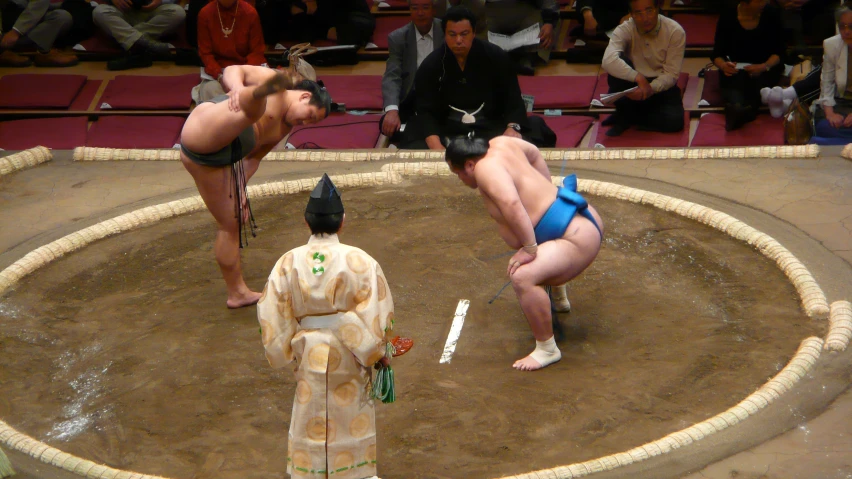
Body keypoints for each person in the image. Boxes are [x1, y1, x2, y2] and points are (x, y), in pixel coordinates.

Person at [257, 174, 398, 479]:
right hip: (350, 348)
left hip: (307, 347)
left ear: (306, 222)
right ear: (342, 221)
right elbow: (377, 311)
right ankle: (356, 472)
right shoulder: (360, 260)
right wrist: (375, 351)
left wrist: (287, 346)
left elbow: (271, 310)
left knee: (310, 406)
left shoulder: (288, 261)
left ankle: (307, 472)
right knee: (351, 407)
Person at [445, 135, 603, 371]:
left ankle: (547, 349)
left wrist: (529, 248)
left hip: (575, 237)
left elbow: (510, 203)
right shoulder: (501, 142)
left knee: (523, 275)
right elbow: (535, 154)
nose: (460, 179)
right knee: (539, 254)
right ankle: (559, 299)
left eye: (458, 173)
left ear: (469, 164)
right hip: (576, 219)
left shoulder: (484, 169)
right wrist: (547, 194)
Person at [179, 67, 331, 308]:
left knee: (232, 223)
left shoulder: (284, 128)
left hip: (211, 162)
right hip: (208, 128)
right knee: (250, 114)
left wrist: (240, 189)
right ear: (303, 96)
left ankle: (237, 293)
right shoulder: (277, 86)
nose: (304, 122)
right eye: (309, 115)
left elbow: (253, 159)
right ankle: (254, 95)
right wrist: (237, 87)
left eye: (309, 122)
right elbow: (232, 69)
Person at [400, 6, 555, 150]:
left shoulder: (496, 56)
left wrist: (512, 129)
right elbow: (425, 110)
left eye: (464, 34)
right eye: (452, 35)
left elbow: (512, 99)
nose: (458, 40)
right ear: (445, 35)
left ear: (474, 33)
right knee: (414, 129)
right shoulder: (431, 65)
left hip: (491, 125)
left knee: (535, 126)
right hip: (449, 127)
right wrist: (436, 147)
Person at [600, 0, 686, 137]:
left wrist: (650, 88)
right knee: (619, 62)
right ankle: (627, 114)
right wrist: (638, 77)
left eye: (649, 10)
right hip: (632, 82)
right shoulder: (625, 29)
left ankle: (628, 116)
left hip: (659, 86)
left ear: (658, 8)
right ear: (631, 14)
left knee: (675, 121)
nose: (645, 18)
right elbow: (607, 61)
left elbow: (671, 74)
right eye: (638, 13)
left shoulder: (675, 31)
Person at [711, 0, 786, 130]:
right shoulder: (728, 14)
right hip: (738, 68)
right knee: (733, 85)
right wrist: (724, 66)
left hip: (765, 67)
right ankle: (738, 108)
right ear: (746, 2)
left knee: (757, 88)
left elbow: (780, 52)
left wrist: (764, 66)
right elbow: (717, 54)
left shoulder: (771, 13)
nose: (765, 2)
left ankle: (742, 113)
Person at [380, 0, 443, 141]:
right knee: (388, 126)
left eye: (425, 7)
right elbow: (392, 75)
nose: (420, 13)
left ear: (433, 9)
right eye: (415, 8)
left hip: (443, 95)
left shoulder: (447, 32)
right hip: (413, 96)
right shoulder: (397, 38)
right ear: (409, 10)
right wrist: (391, 110)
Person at [193, 0, 267, 103]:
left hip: (246, 69)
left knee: (262, 92)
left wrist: (241, 78)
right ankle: (228, 114)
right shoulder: (205, 13)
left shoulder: (250, 12)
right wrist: (220, 77)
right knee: (210, 90)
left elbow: (256, 52)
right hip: (219, 73)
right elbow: (206, 54)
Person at [92, 0, 186, 71]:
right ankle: (147, 45)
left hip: (153, 11)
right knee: (99, 12)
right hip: (121, 11)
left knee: (178, 13)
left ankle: (129, 40)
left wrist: (159, 1)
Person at [811, 4, 852, 144]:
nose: (846, 32)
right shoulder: (831, 45)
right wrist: (830, 114)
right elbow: (826, 82)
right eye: (842, 26)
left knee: (820, 137)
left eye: (851, 27)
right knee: (823, 126)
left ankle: (825, 143)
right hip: (842, 102)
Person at [482, 0, 558, 75]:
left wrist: (549, 22)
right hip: (489, 13)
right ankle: (502, 59)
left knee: (543, 33)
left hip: (525, 12)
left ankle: (523, 58)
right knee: (479, 37)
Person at [0, 0, 79, 67]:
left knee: (62, 17)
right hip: (10, 11)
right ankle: (4, 51)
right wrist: (16, 31)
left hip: (27, 13)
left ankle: (40, 52)